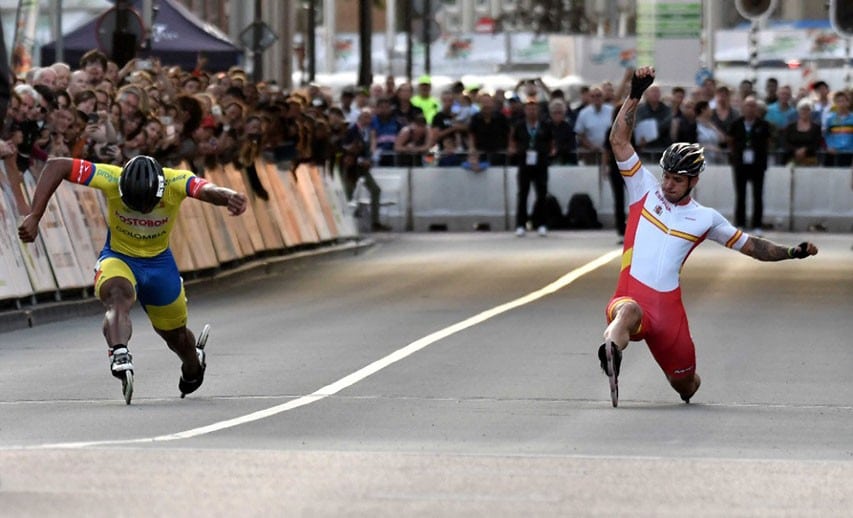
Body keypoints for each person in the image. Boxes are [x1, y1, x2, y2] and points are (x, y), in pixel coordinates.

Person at [599, 66, 818, 408]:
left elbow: (753, 247)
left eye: (677, 179)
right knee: (625, 313)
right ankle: (611, 350)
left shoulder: (705, 218)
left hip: (668, 309)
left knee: (687, 387)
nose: (668, 184)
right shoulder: (643, 189)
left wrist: (792, 252)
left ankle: (674, 374)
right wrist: (635, 94)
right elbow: (618, 141)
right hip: (633, 295)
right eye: (667, 176)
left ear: (693, 182)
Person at [17, 155, 248, 404]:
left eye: (149, 205)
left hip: (159, 265)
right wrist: (35, 215)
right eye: (133, 205)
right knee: (117, 295)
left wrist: (228, 196)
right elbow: (57, 165)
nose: (142, 211)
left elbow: (207, 189)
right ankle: (119, 352)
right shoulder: (111, 178)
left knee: (177, 338)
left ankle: (194, 363)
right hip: (120, 257)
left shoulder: (176, 181)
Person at [510, 98, 554, 237]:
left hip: (541, 163)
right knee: (523, 194)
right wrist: (514, 149)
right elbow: (513, 140)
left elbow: (551, 141)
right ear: (525, 110)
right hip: (524, 163)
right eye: (529, 109)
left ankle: (542, 224)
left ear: (538, 111)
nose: (531, 111)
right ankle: (520, 224)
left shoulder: (545, 125)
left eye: (534, 109)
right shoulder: (520, 125)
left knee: (542, 194)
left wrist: (551, 151)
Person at [727, 96, 771, 233]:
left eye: (753, 106)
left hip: (757, 165)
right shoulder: (736, 124)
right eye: (747, 106)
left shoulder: (763, 125)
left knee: (758, 195)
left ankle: (757, 224)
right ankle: (740, 223)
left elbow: (768, 142)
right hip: (740, 164)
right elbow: (730, 140)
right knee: (740, 194)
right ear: (743, 108)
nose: (750, 109)